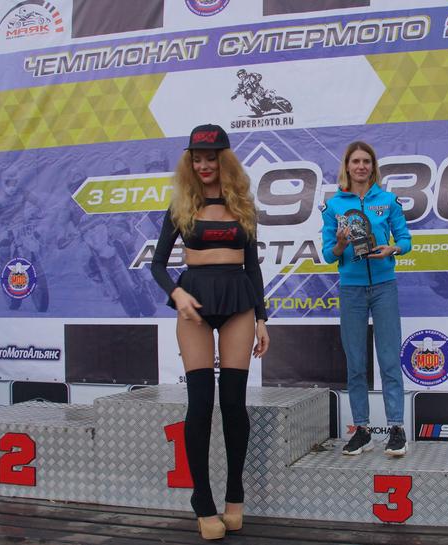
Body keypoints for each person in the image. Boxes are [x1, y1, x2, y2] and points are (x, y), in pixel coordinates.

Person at [150, 124, 269, 540]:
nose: (203, 165)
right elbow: (157, 264)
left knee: (234, 404)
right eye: (197, 158)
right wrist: (177, 293)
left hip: (239, 302)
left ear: (224, 159)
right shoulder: (182, 204)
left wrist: (262, 318)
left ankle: (235, 496)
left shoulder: (242, 204)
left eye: (211, 158)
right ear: (190, 162)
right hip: (194, 305)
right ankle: (202, 502)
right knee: (200, 405)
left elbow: (252, 267)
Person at [320, 141, 412, 457]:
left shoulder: (387, 200)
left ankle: (397, 429)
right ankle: (362, 430)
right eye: (355, 161)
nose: (361, 166)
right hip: (352, 290)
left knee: (389, 360)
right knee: (356, 363)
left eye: (366, 161)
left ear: (373, 167)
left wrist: (393, 249)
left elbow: (405, 239)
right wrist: (341, 244)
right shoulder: (334, 206)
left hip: (384, 286)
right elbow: (328, 254)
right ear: (347, 166)